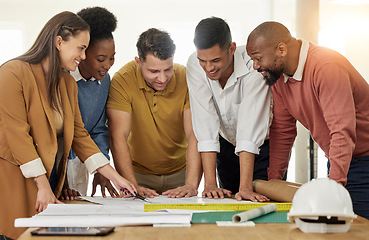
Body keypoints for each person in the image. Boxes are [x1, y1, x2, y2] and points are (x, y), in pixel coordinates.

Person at [0, 11, 136, 240]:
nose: (83, 56)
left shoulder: (66, 83)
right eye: (81, 48)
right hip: (16, 181)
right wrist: (42, 184)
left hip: (50, 182)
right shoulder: (12, 73)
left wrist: (116, 177)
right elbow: (17, 135)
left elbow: (81, 136)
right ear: (59, 41)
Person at [246, 21, 369, 219]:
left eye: (258, 58)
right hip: (340, 157)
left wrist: (333, 187)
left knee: (356, 228)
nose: (255, 66)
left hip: (364, 159)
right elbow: (283, 131)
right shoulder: (278, 78)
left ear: (281, 49)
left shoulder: (326, 66)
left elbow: (341, 131)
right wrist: (273, 184)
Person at [107, 28, 201, 198]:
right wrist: (132, 184)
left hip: (181, 173)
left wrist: (191, 185)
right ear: (138, 62)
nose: (163, 78)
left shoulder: (186, 78)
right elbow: (117, 137)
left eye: (168, 69)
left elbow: (195, 134)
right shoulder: (122, 80)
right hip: (136, 175)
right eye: (154, 71)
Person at [186, 17, 272, 201]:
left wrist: (246, 187)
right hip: (225, 145)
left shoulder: (253, 65)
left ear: (232, 48)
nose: (209, 68)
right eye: (203, 60)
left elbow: (249, 128)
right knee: (226, 206)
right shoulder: (194, 64)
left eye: (215, 60)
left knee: (261, 208)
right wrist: (209, 184)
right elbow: (205, 121)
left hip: (261, 148)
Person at [63, 6, 118, 199]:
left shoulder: (104, 81)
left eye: (112, 58)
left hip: (84, 162)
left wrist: (101, 170)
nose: (107, 65)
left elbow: (99, 129)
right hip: (57, 164)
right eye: (101, 59)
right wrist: (63, 178)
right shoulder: (63, 77)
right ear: (83, 52)